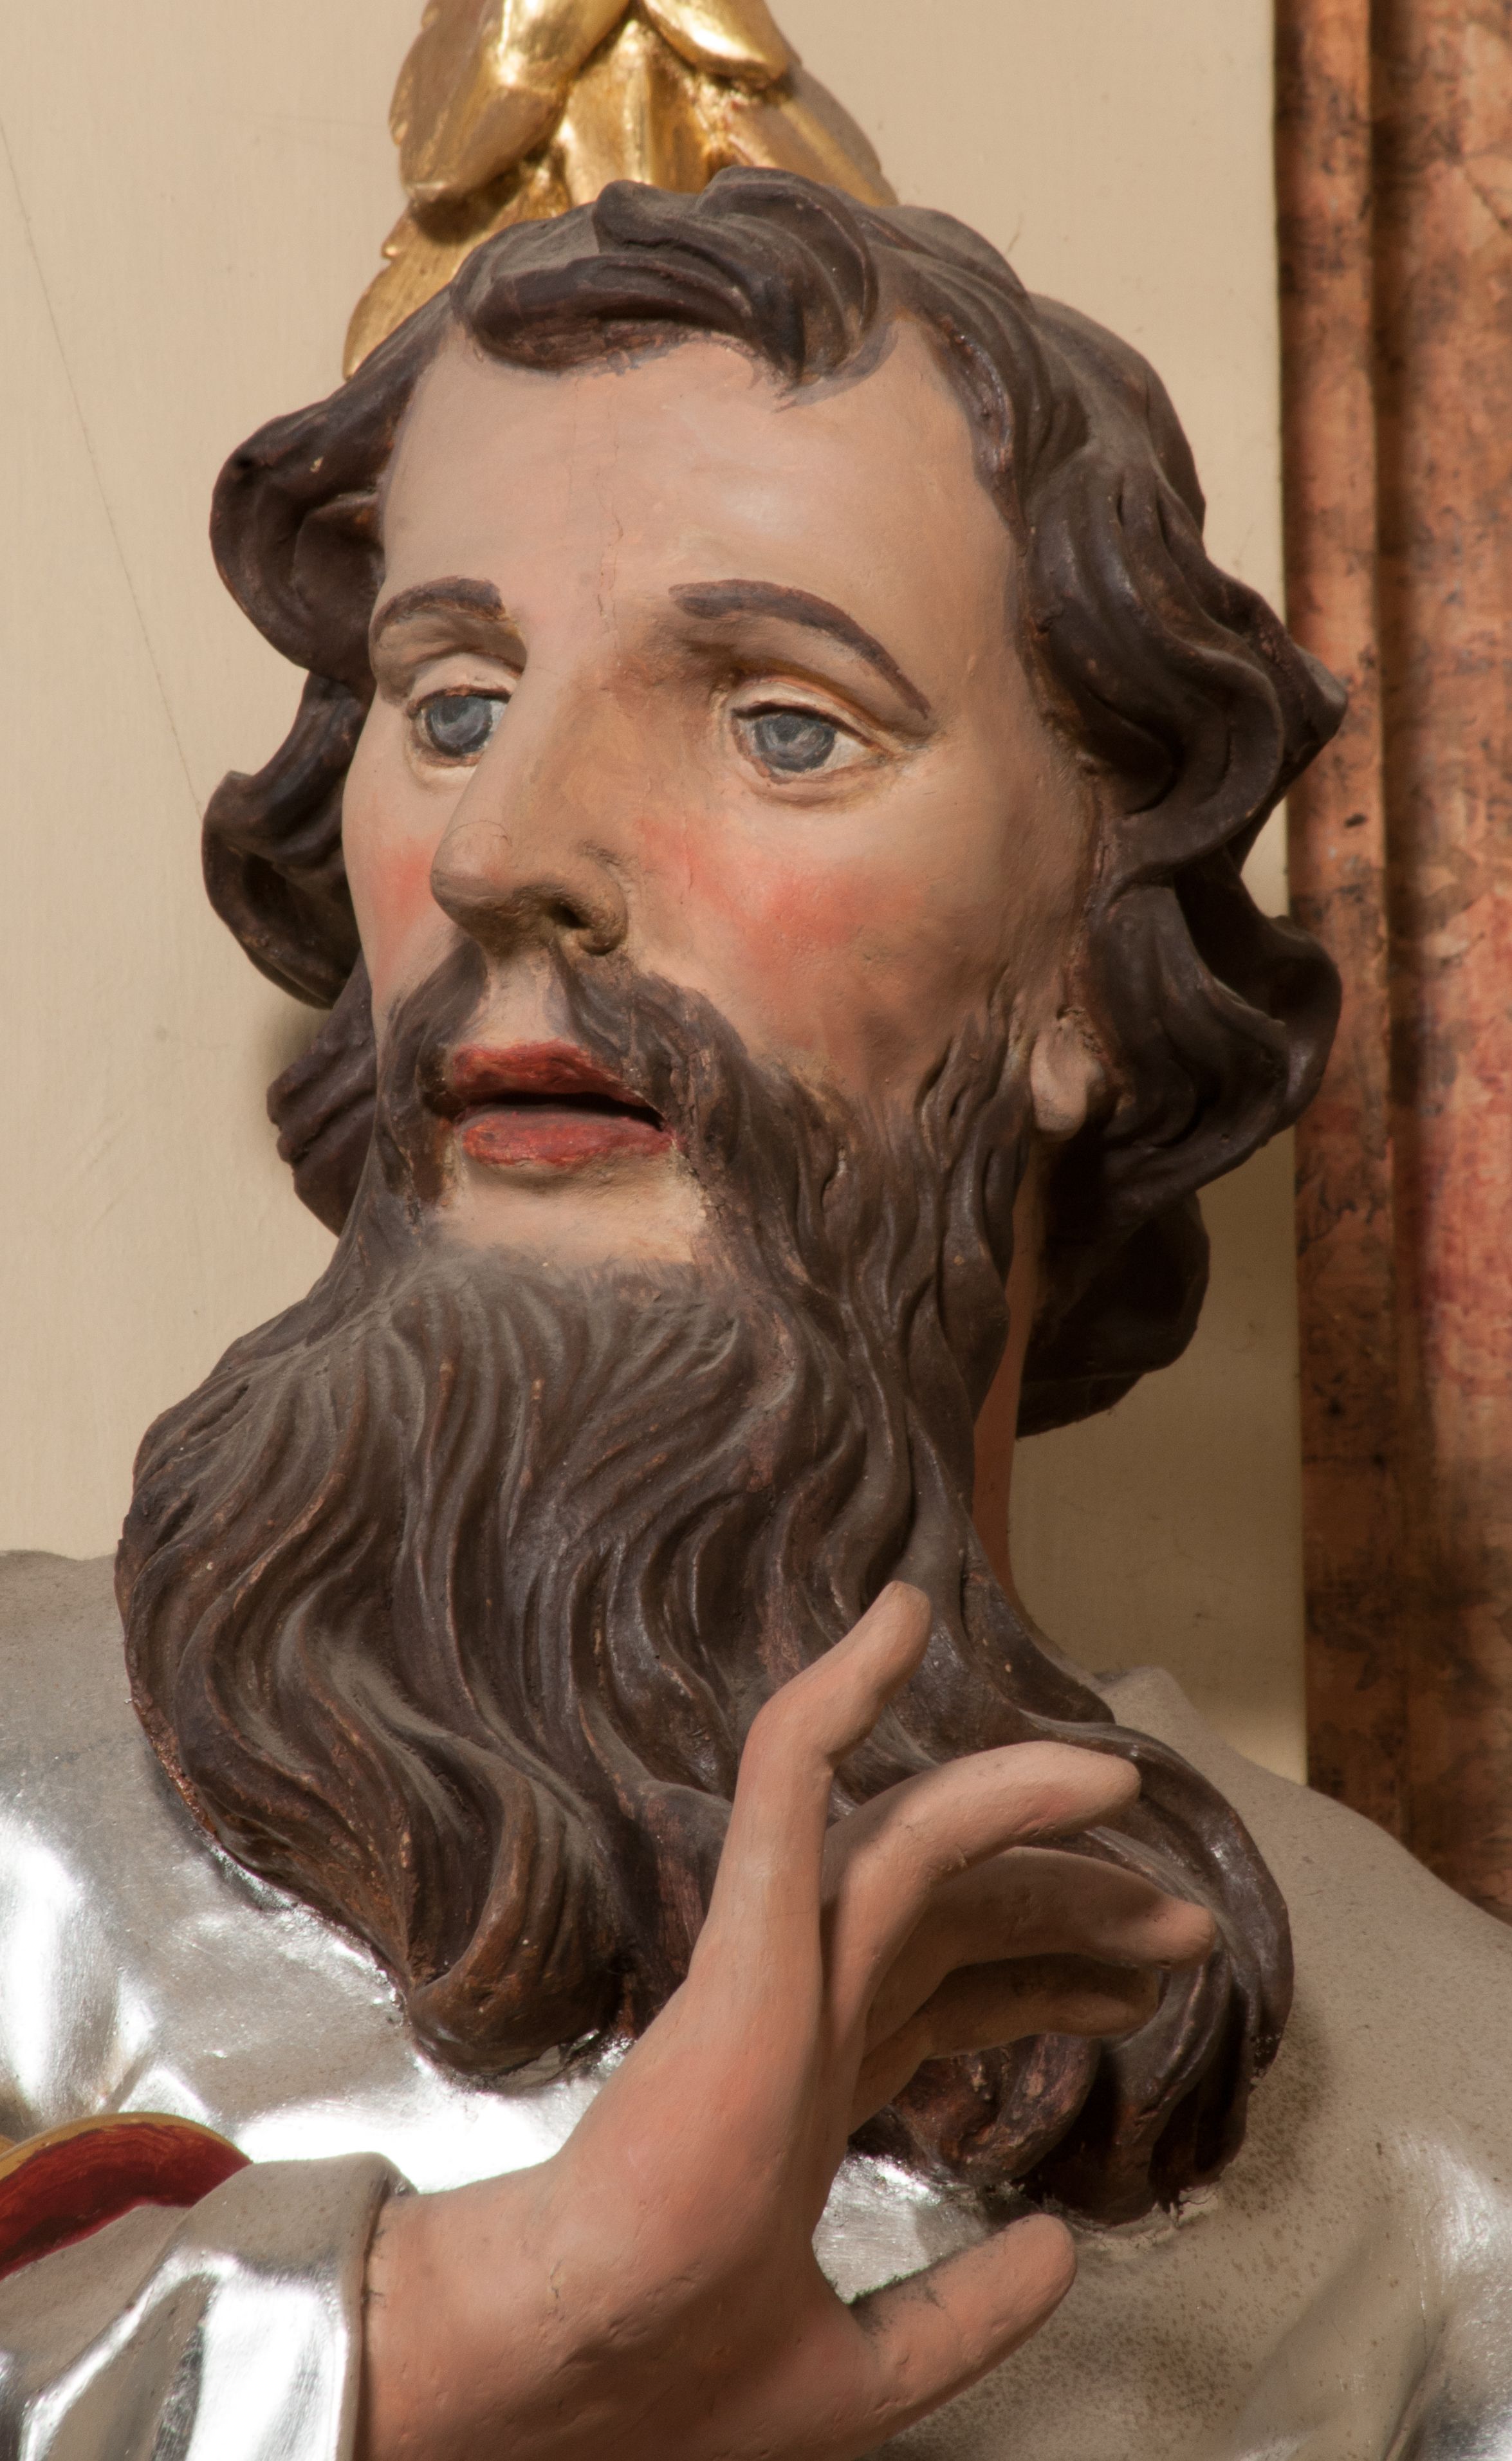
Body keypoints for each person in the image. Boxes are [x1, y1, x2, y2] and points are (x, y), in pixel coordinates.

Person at [5, 170, 1511, 2460]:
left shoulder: (1439, 2140)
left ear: (1094, 961)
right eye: (453, 701)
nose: (506, 847)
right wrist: (445, 2346)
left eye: (784, 725)